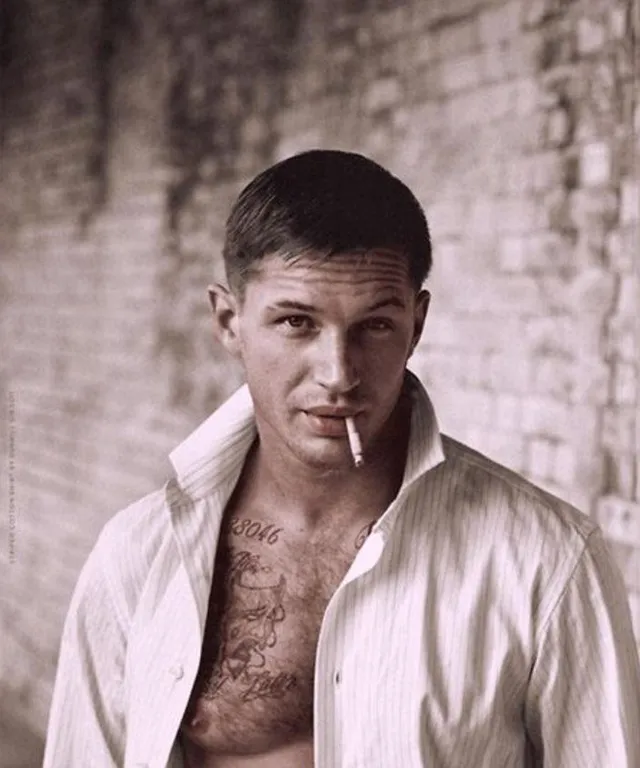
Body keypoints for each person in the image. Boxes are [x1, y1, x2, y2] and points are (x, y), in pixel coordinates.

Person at [43, 149, 640, 768]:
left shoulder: (545, 560)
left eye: (374, 327)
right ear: (228, 321)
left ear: (416, 325)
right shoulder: (138, 556)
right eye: (297, 322)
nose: (339, 374)